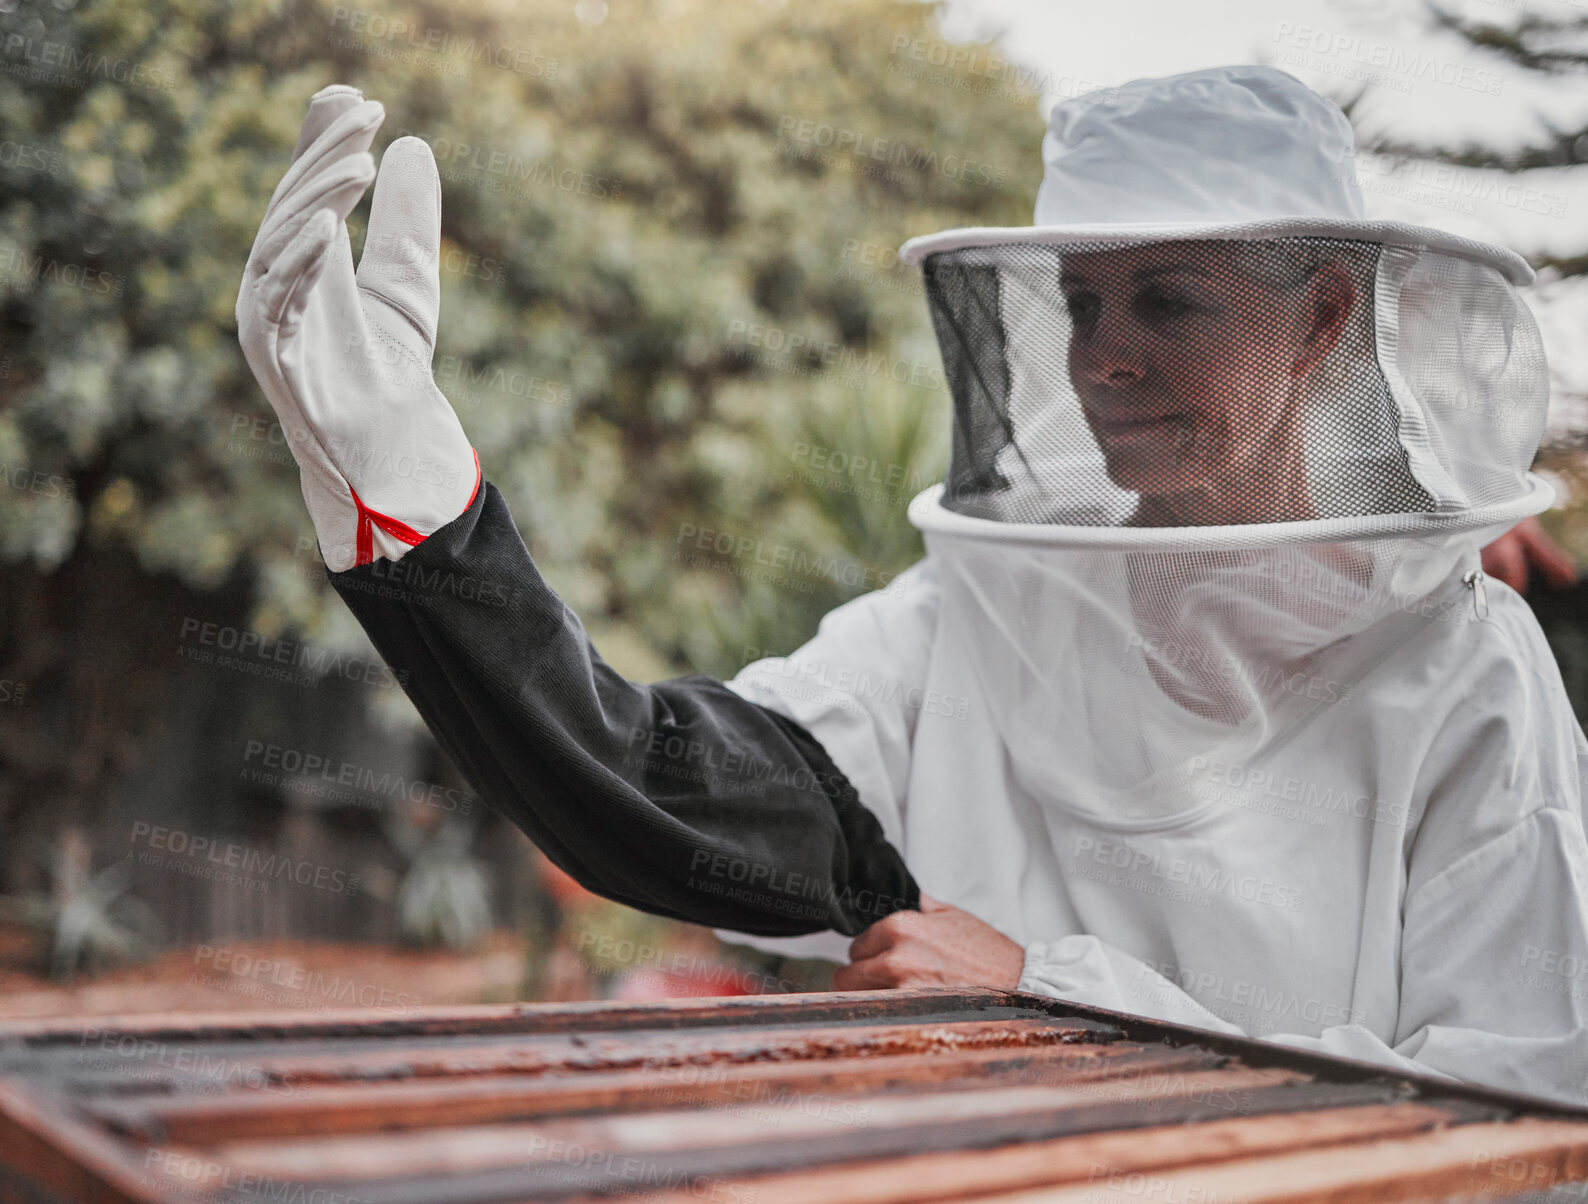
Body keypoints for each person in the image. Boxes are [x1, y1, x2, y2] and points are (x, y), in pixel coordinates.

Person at [237, 66, 1588, 1107]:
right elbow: (657, 788)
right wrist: (415, 508)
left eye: (1168, 300)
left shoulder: (1461, 669)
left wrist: (1047, 998)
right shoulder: (974, 620)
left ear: (1321, 321)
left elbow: (1516, 1096)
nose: (1101, 360)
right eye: (1081, 303)